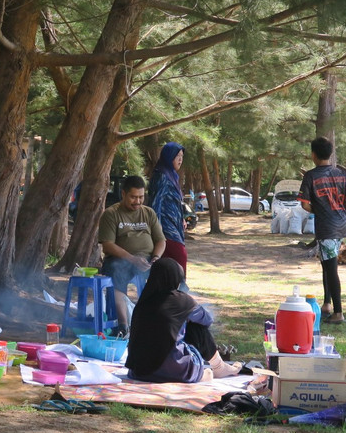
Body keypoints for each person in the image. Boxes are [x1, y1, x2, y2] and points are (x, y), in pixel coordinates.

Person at [126, 258, 240, 383]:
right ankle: (218, 367)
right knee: (197, 328)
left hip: (139, 371)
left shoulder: (142, 303)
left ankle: (213, 369)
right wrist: (186, 315)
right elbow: (207, 320)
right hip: (175, 370)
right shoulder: (182, 300)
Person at [297, 137, 346, 325]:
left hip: (326, 228)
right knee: (326, 264)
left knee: (331, 269)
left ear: (313, 155)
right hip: (340, 226)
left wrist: (320, 210)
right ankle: (326, 304)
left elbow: (305, 205)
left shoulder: (311, 176)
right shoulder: (340, 174)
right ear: (330, 154)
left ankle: (338, 312)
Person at [98, 175, 166, 329]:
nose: (138, 201)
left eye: (141, 197)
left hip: (148, 259)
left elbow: (161, 241)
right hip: (120, 259)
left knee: (169, 272)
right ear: (123, 194)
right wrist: (132, 259)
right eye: (133, 197)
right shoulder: (111, 214)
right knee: (116, 270)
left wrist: (156, 258)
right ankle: (123, 325)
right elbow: (107, 245)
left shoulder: (149, 213)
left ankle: (163, 321)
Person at [148, 142, 188, 276]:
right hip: (164, 227)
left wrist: (181, 219)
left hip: (174, 224)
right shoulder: (161, 176)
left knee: (168, 263)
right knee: (180, 255)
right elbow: (155, 203)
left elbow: (174, 202)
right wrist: (157, 230)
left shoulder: (172, 175)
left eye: (182, 156)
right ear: (168, 156)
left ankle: (171, 287)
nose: (180, 159)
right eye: (177, 156)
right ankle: (180, 286)